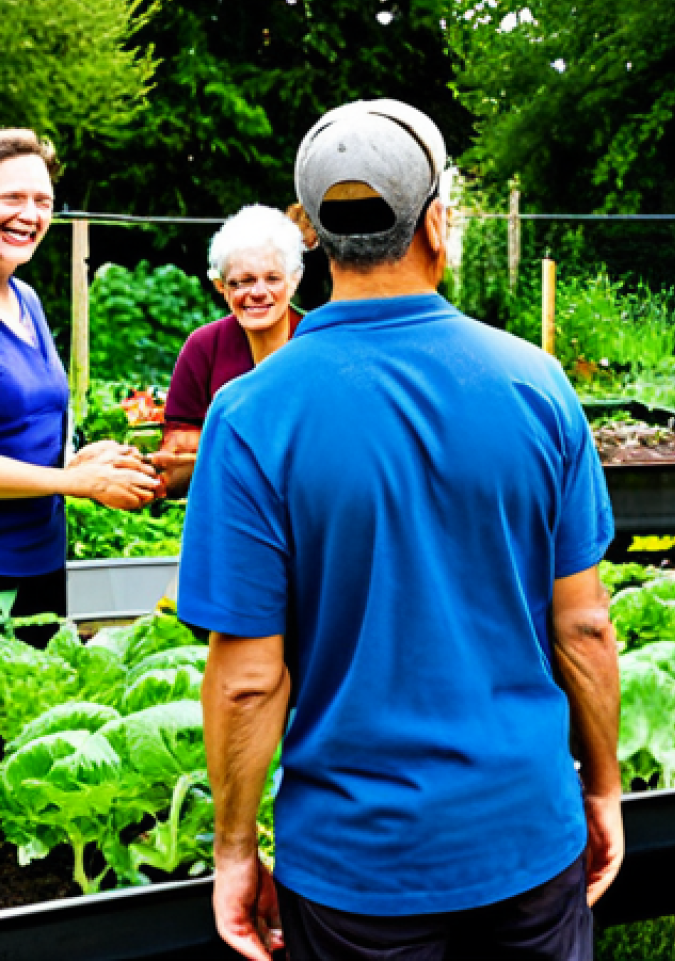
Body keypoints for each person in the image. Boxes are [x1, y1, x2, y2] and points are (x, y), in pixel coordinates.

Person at [178, 99, 623, 961]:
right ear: (437, 224)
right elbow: (585, 626)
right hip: (525, 832)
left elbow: (246, 680)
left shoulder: (251, 415)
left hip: (355, 864)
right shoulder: (536, 384)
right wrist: (602, 789)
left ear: (312, 236)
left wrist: (235, 850)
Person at [0, 129, 159, 618]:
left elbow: (34, 422)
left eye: (42, 200)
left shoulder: (25, 299)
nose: (30, 215)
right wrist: (78, 483)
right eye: (12, 198)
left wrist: (77, 459)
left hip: (44, 559)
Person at [154, 205, 305, 496]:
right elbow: (175, 461)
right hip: (230, 508)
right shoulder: (203, 348)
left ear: (293, 280)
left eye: (272, 278)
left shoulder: (316, 340)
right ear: (221, 286)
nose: (258, 292)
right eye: (243, 282)